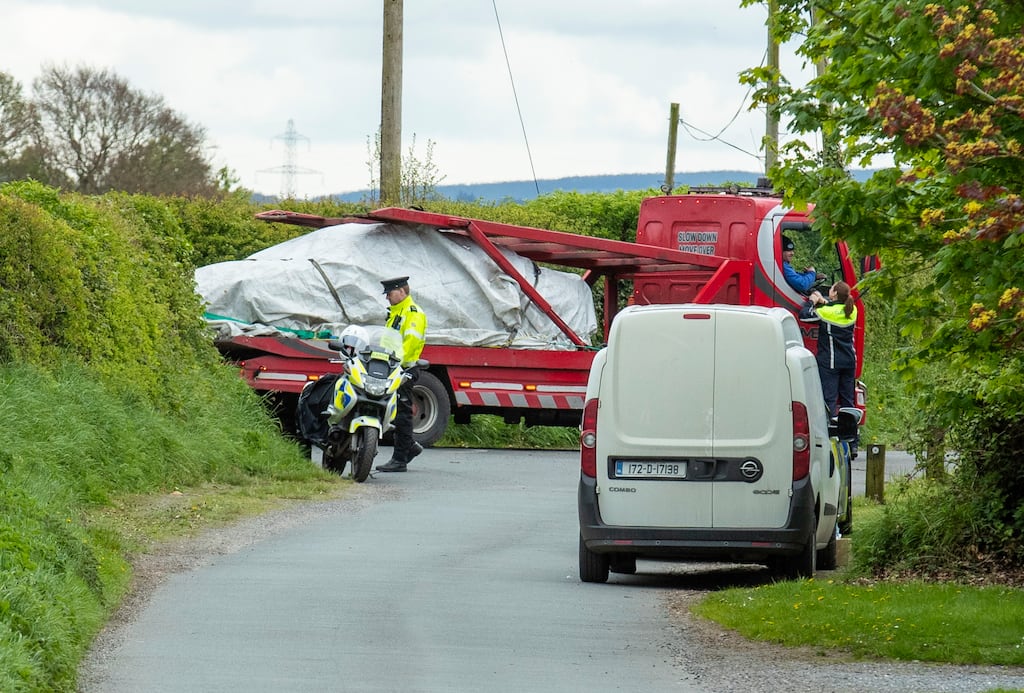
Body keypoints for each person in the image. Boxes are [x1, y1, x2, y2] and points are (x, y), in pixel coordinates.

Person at [376, 276, 428, 473]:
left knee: (402, 413)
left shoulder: (412, 313)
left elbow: (410, 343)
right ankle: (410, 447)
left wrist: (396, 363)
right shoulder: (396, 313)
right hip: (391, 367)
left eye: (389, 293)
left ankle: (400, 459)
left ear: (402, 292)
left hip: (403, 368)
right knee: (394, 410)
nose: (387, 297)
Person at [799, 281, 858, 420]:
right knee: (848, 402)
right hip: (849, 362)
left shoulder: (825, 312)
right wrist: (825, 302)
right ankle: (851, 438)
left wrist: (812, 301)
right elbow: (835, 310)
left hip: (831, 363)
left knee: (829, 401)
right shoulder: (852, 309)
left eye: (831, 288)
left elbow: (804, 315)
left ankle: (831, 434)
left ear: (835, 293)